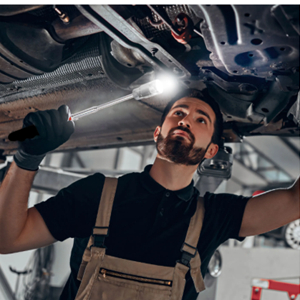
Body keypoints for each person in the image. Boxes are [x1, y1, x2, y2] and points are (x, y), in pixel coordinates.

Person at [0, 89, 299, 300]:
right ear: (157, 133)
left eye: (201, 120)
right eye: (178, 113)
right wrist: (28, 158)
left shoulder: (216, 216)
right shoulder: (97, 194)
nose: (185, 120)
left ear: (211, 151)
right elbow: (8, 239)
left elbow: (294, 201)